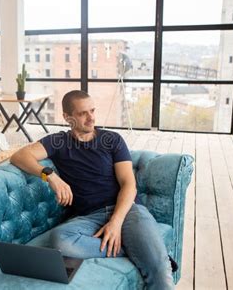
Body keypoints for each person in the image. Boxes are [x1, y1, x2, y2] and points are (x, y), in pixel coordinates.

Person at [10, 90, 174, 289]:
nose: (91, 117)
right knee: (60, 240)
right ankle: (139, 249)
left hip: (127, 210)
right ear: (67, 118)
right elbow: (19, 156)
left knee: (158, 269)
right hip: (89, 218)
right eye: (83, 113)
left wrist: (115, 222)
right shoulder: (57, 142)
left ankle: (150, 252)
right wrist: (49, 175)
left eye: (93, 110)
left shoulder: (112, 140)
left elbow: (129, 185)